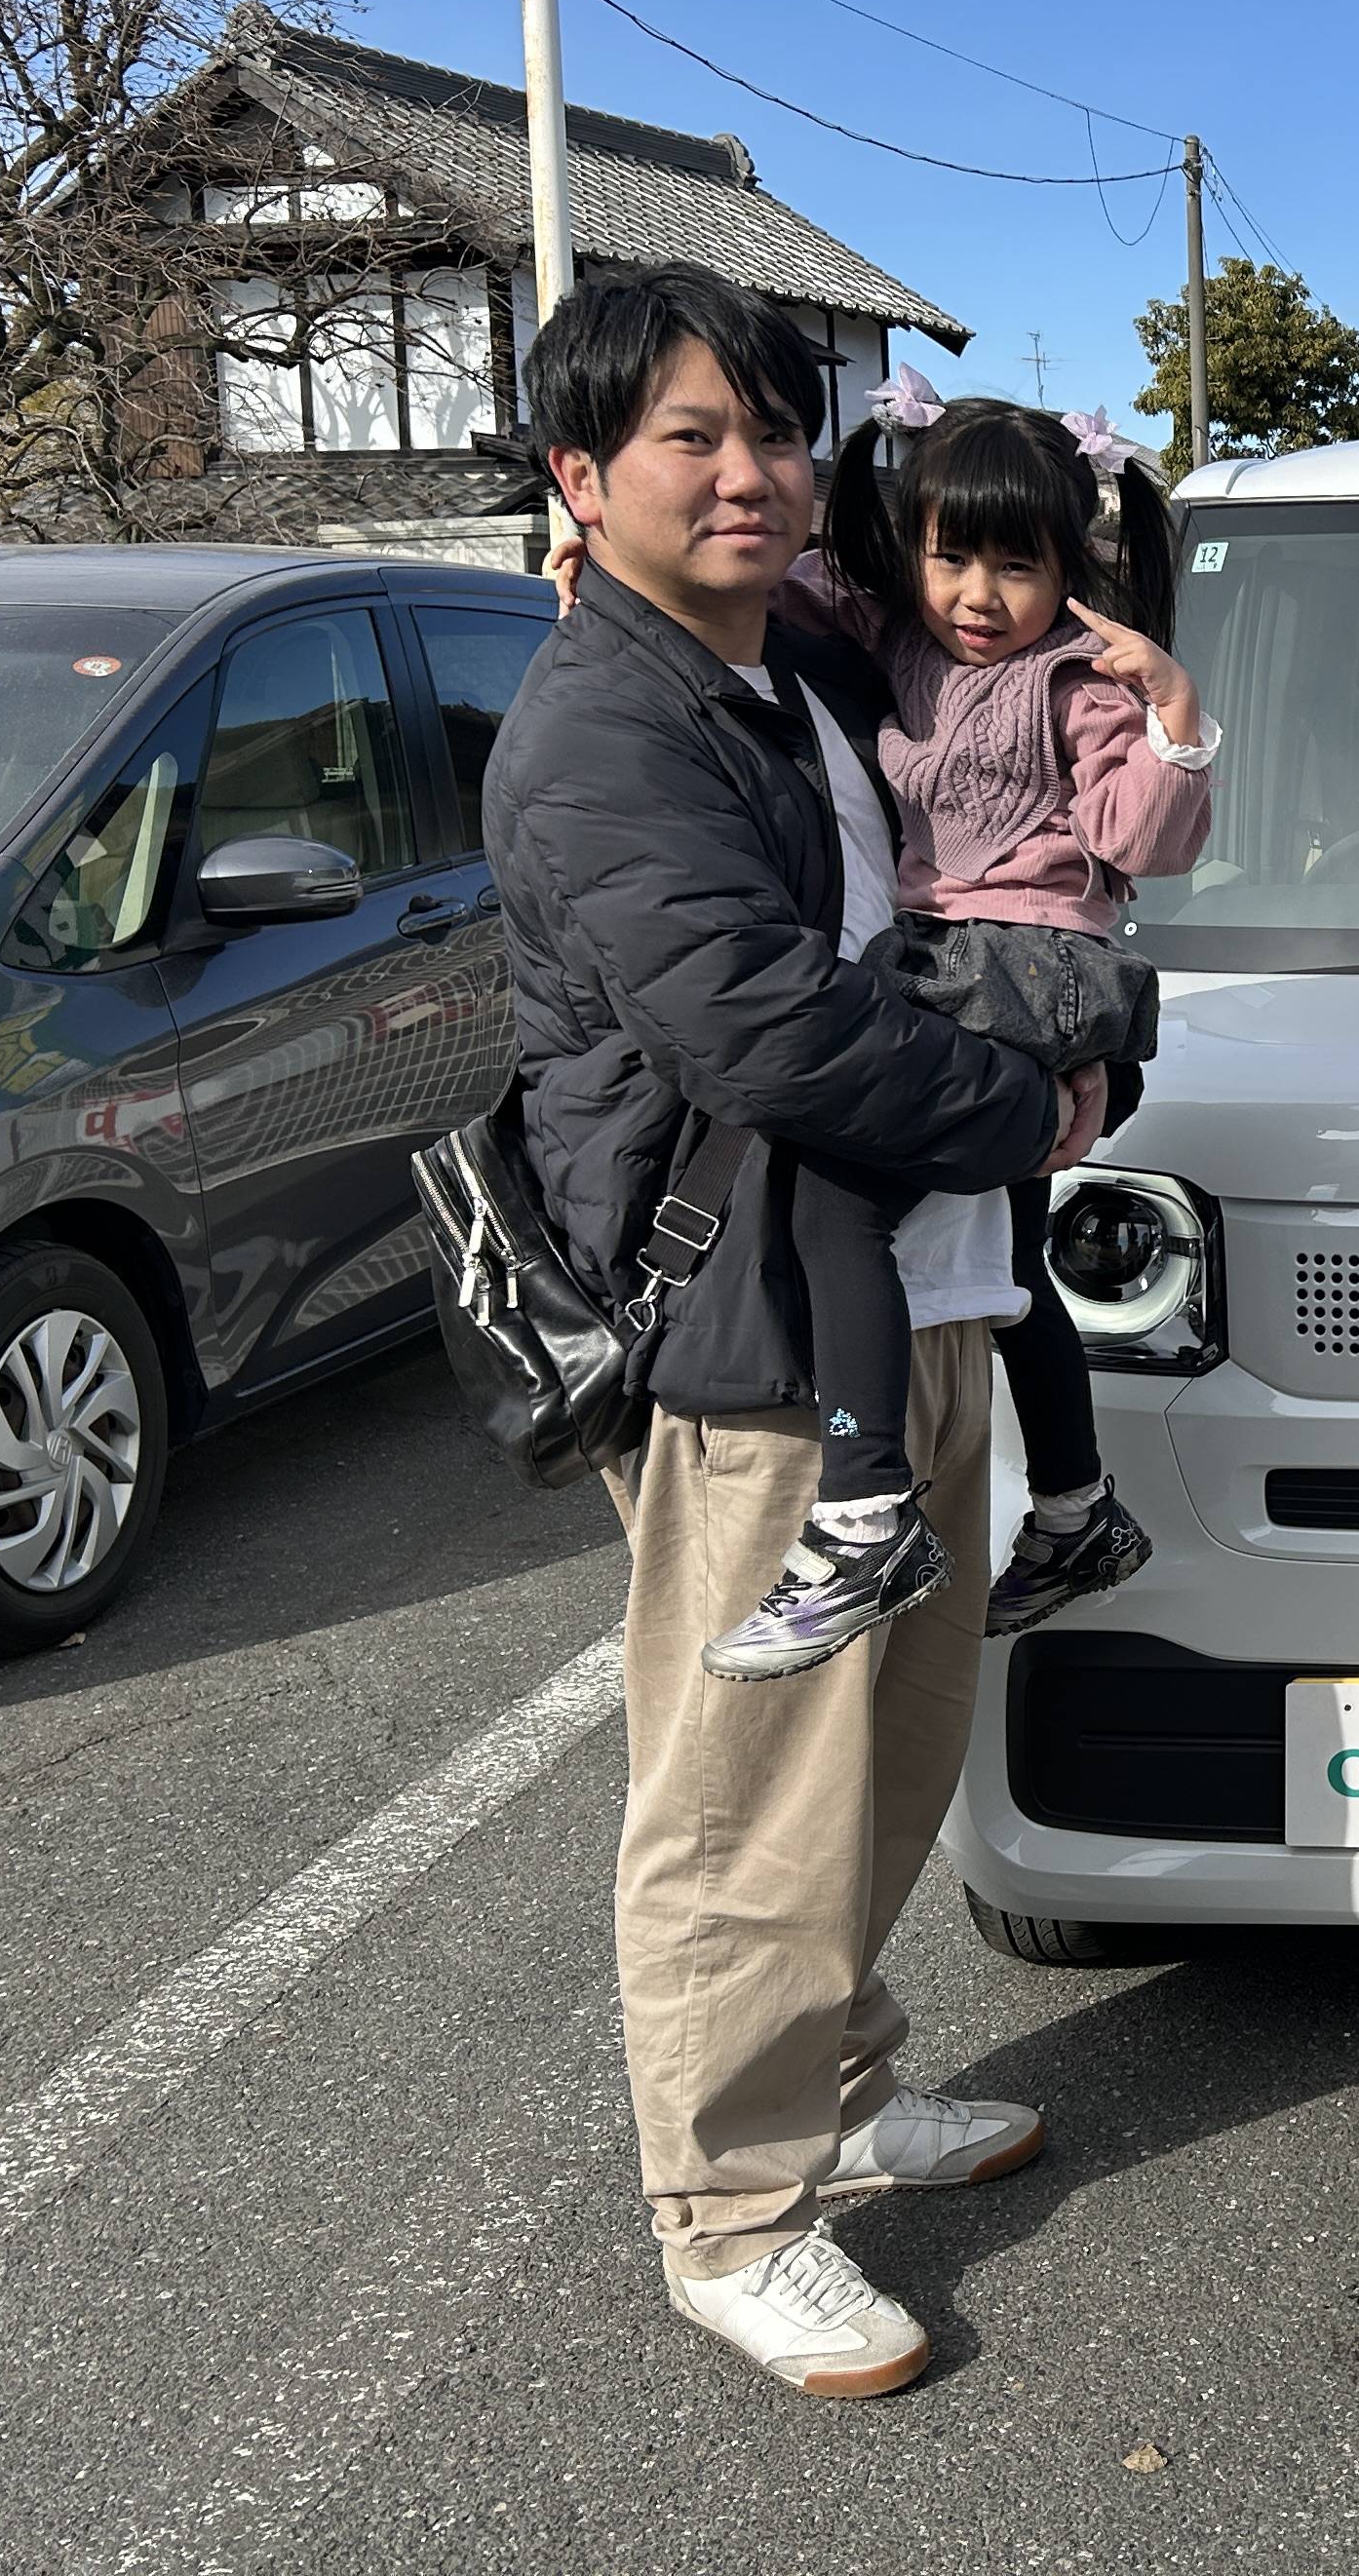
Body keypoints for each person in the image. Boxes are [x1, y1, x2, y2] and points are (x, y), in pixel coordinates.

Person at [485, 264, 1107, 2398]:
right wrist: (1042, 1104)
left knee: (888, 1753)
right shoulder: (601, 728)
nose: (747, 470)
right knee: (748, 1794)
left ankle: (840, 2089)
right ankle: (737, 2210)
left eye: (768, 427)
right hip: (752, 1341)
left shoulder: (796, 684)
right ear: (581, 479)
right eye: (690, 437)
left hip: (917, 1294)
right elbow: (766, 1032)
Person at [554, 381, 1209, 1671]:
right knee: (1021, 1270)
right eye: (950, 555)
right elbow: (765, 601)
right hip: (954, 963)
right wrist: (617, 574)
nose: (977, 594)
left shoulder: (1074, 685)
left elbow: (1145, 840)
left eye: (1016, 566)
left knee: (833, 1198)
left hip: (1026, 969)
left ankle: (862, 1509)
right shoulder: (897, 642)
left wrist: (1171, 720)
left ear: (1070, 572)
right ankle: (1077, 1510)